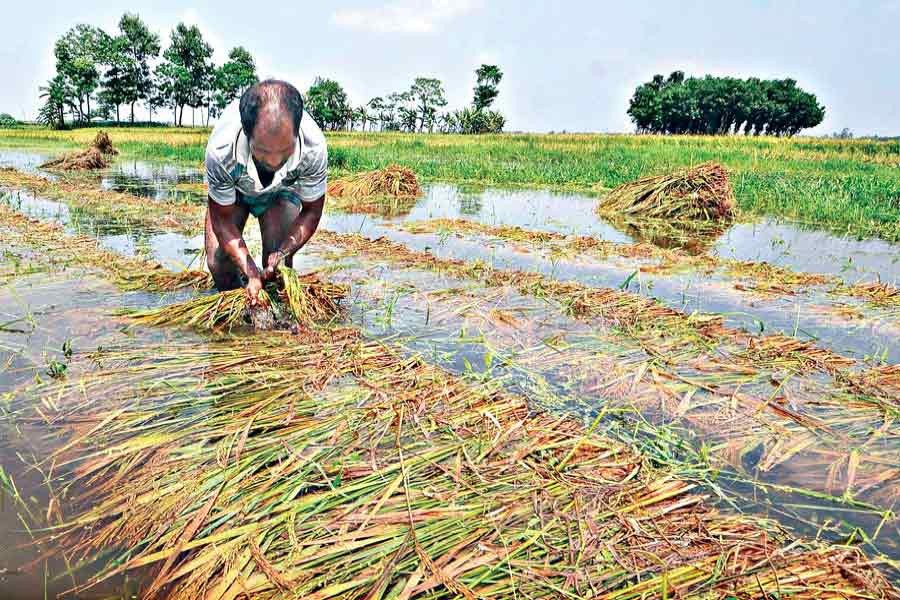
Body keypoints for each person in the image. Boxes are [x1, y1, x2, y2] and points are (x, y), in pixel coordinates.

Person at [204, 79, 327, 305]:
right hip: (237, 190)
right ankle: (237, 319)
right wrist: (249, 269)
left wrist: (283, 251)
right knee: (219, 263)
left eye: (285, 151)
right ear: (247, 133)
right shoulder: (221, 150)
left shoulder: (314, 148)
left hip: (281, 192)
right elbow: (221, 220)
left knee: (277, 273)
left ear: (297, 132)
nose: (274, 161)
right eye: (262, 151)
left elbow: (312, 211)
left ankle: (273, 328)